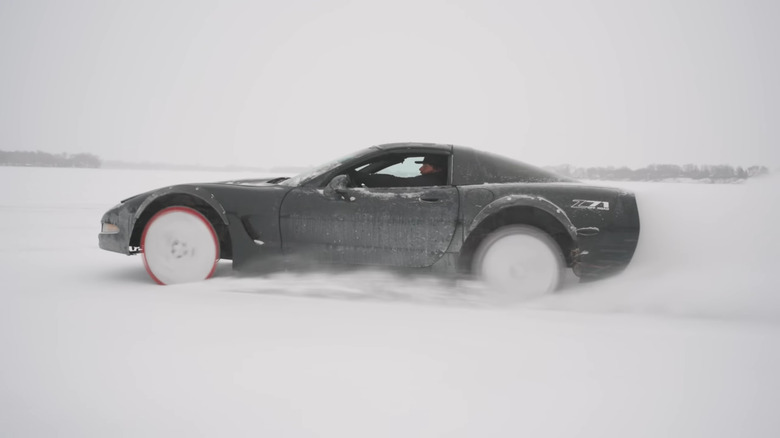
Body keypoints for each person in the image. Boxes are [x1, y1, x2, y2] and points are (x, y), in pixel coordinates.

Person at [353, 155, 447, 188]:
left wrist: (361, 177)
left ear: (438, 168)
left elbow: (397, 183)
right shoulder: (438, 180)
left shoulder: (433, 181)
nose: (420, 169)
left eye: (425, 166)